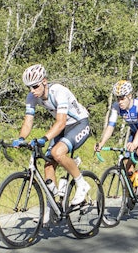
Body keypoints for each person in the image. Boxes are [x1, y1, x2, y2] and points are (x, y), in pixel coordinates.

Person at [14, 63, 93, 206]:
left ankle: (82, 184)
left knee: (57, 152)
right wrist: (21, 139)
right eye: (29, 87)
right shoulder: (31, 97)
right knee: (48, 164)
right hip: (62, 127)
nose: (32, 90)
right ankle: (54, 206)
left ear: (44, 81)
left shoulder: (58, 91)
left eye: (35, 86)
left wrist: (44, 139)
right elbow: (28, 122)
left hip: (79, 123)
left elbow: (61, 121)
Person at [95, 80, 138, 190]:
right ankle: (132, 192)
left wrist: (134, 144)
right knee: (127, 165)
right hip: (135, 133)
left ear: (130, 96)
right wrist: (101, 143)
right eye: (117, 98)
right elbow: (110, 127)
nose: (120, 101)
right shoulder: (116, 106)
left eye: (122, 98)